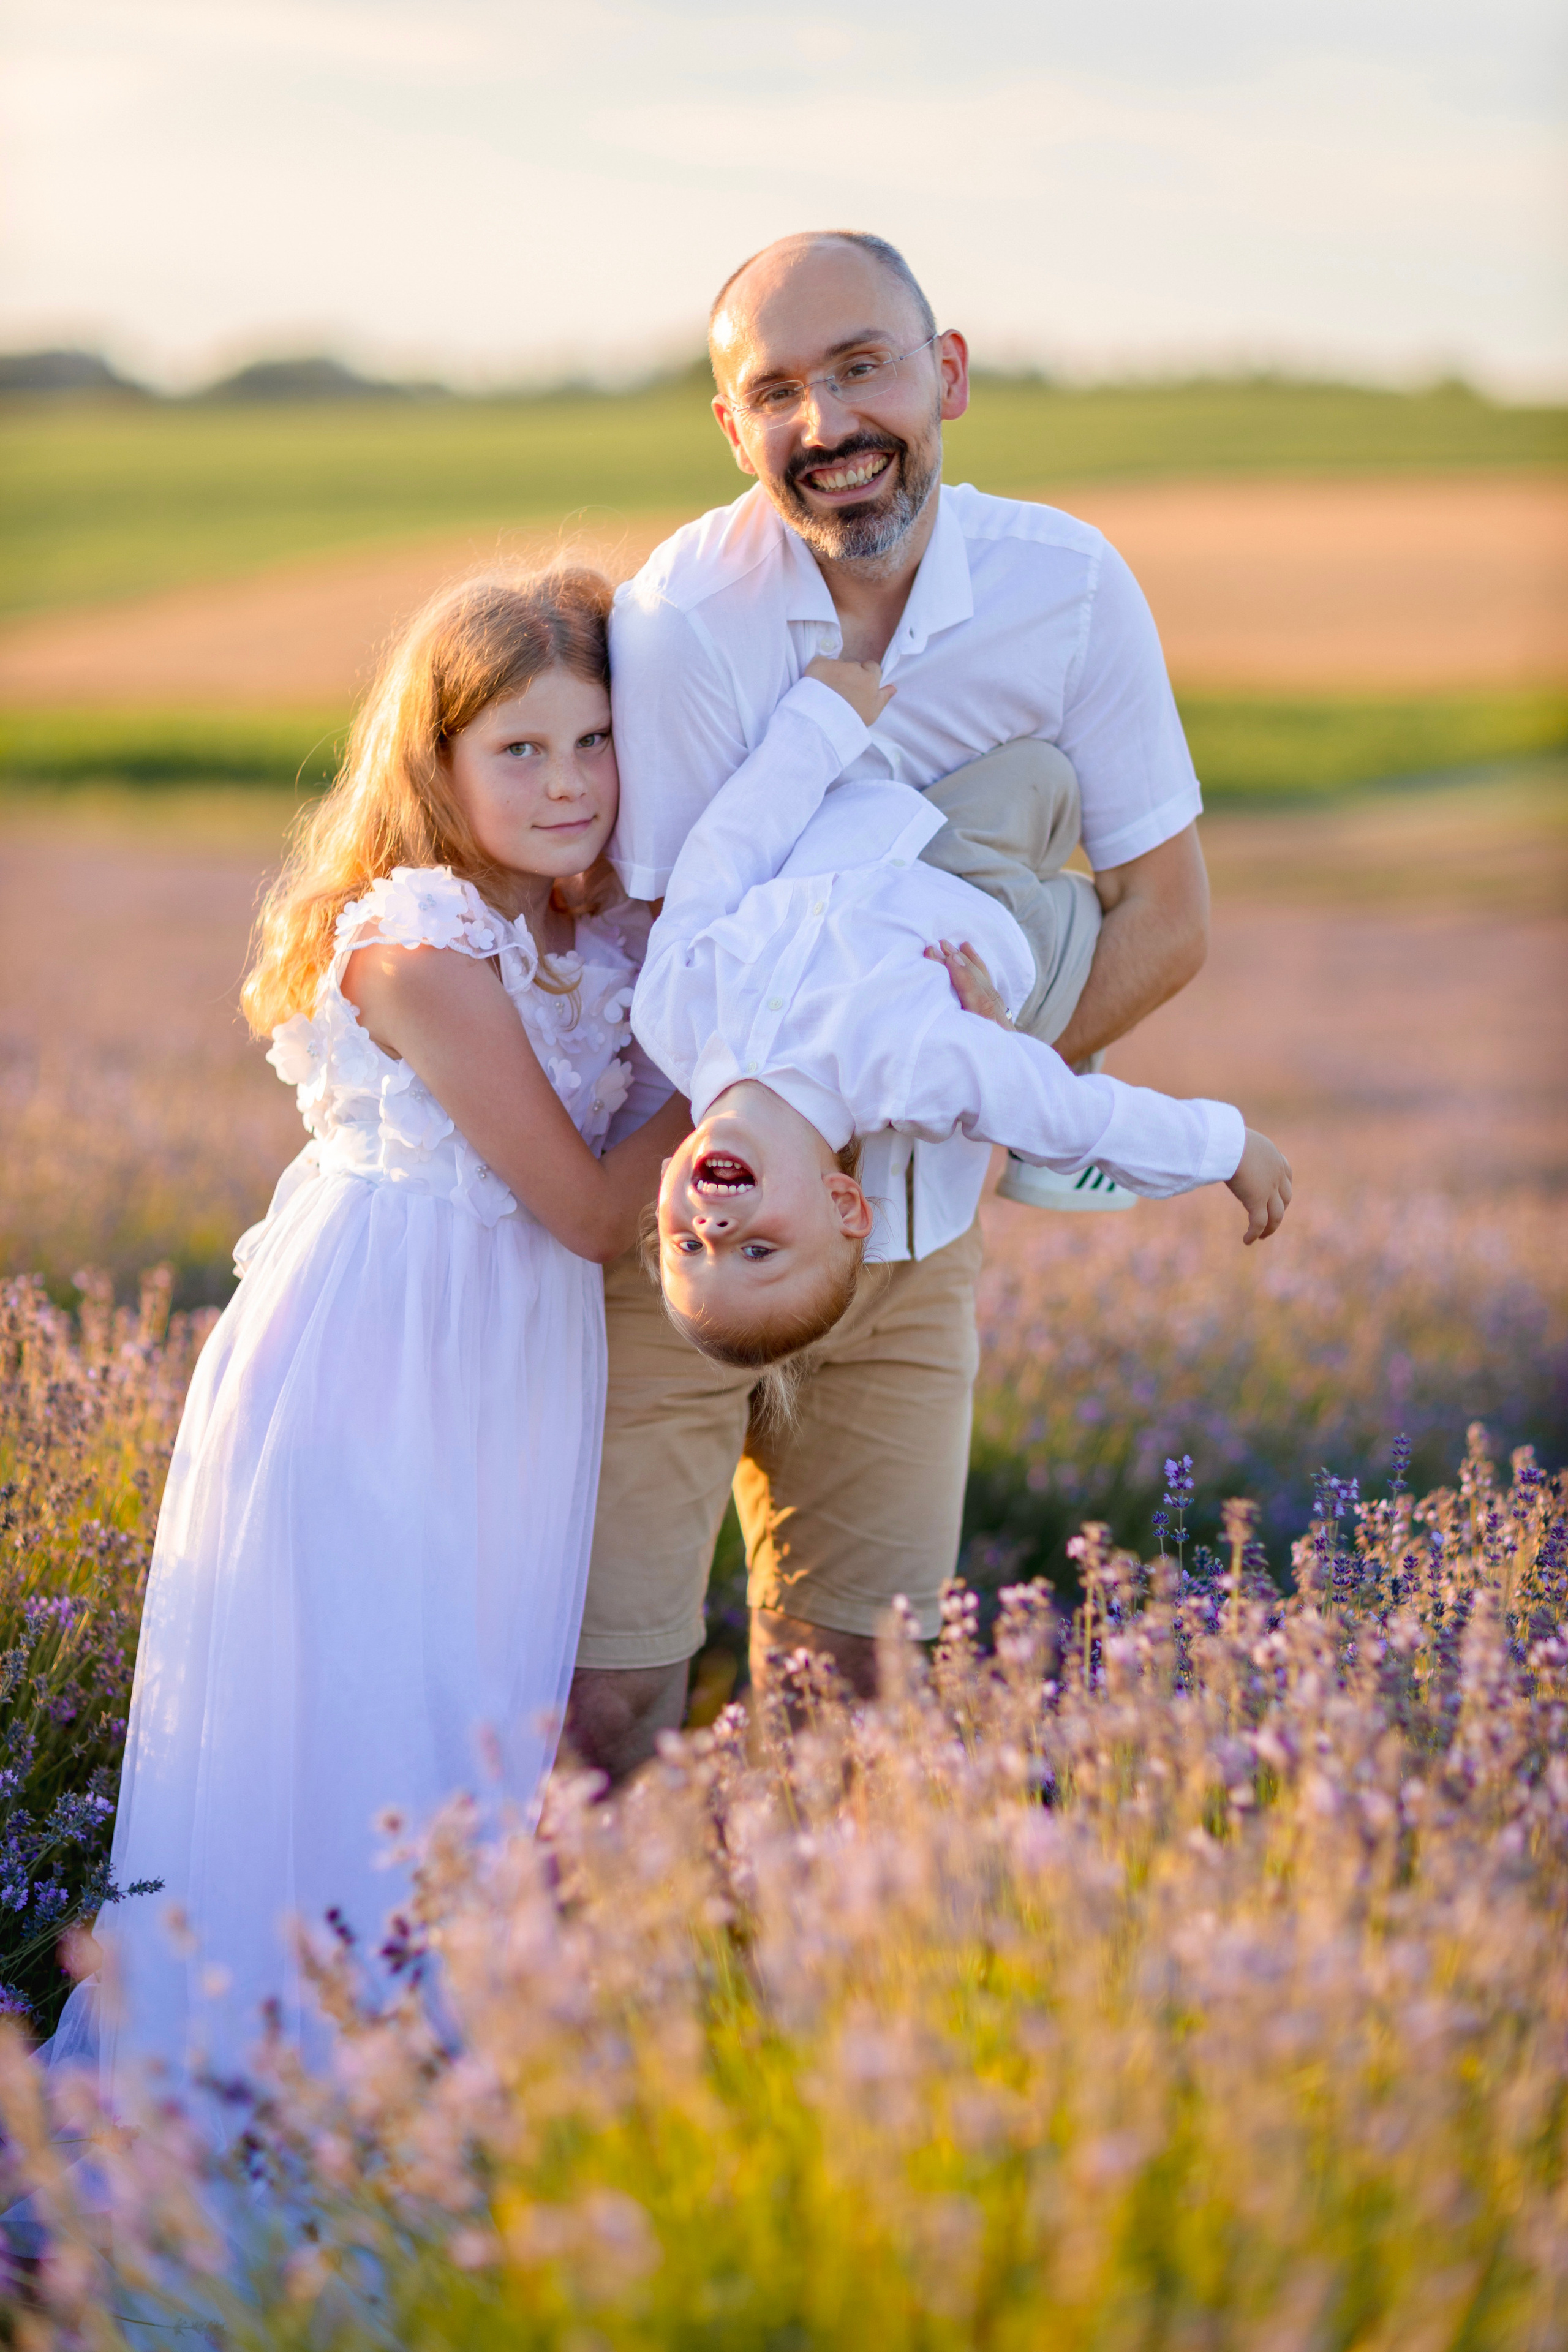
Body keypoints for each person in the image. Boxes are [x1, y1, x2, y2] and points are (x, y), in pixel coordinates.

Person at [567, 230, 1218, 1774]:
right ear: (733, 430)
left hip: (916, 1250)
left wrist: (967, 1076)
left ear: (946, 374)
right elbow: (679, 934)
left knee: (856, 1705)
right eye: (775, 389)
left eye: (860, 366)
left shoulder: (1063, 590)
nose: (825, 423)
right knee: (601, 1702)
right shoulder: (682, 621)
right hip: (686, 1242)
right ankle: (591, 2002)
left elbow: (1168, 917)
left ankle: (805, 2001)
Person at [77, 569, 688, 2108]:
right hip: (382, 1362)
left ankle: (421, 2077)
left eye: (596, 743)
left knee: (468, 1709)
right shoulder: (417, 942)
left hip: (504, 1366)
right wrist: (726, 1053)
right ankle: (279, 2091)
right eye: (521, 751)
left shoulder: (573, 925)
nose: (567, 784)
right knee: (368, 1708)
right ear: (438, 768)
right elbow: (590, 1211)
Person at [635, 654, 1290, 1373]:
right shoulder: (913, 1074)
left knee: (1047, 785)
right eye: (757, 1251)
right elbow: (1079, 1119)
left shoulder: (672, 1018)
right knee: (1048, 778)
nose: (713, 1226)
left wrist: (815, 725)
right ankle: (1041, 1052)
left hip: (872, 834)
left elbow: (720, 858)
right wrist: (1224, 1147)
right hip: (988, 900)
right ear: (845, 1204)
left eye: (686, 1246)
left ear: (667, 1177)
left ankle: (1029, 1051)